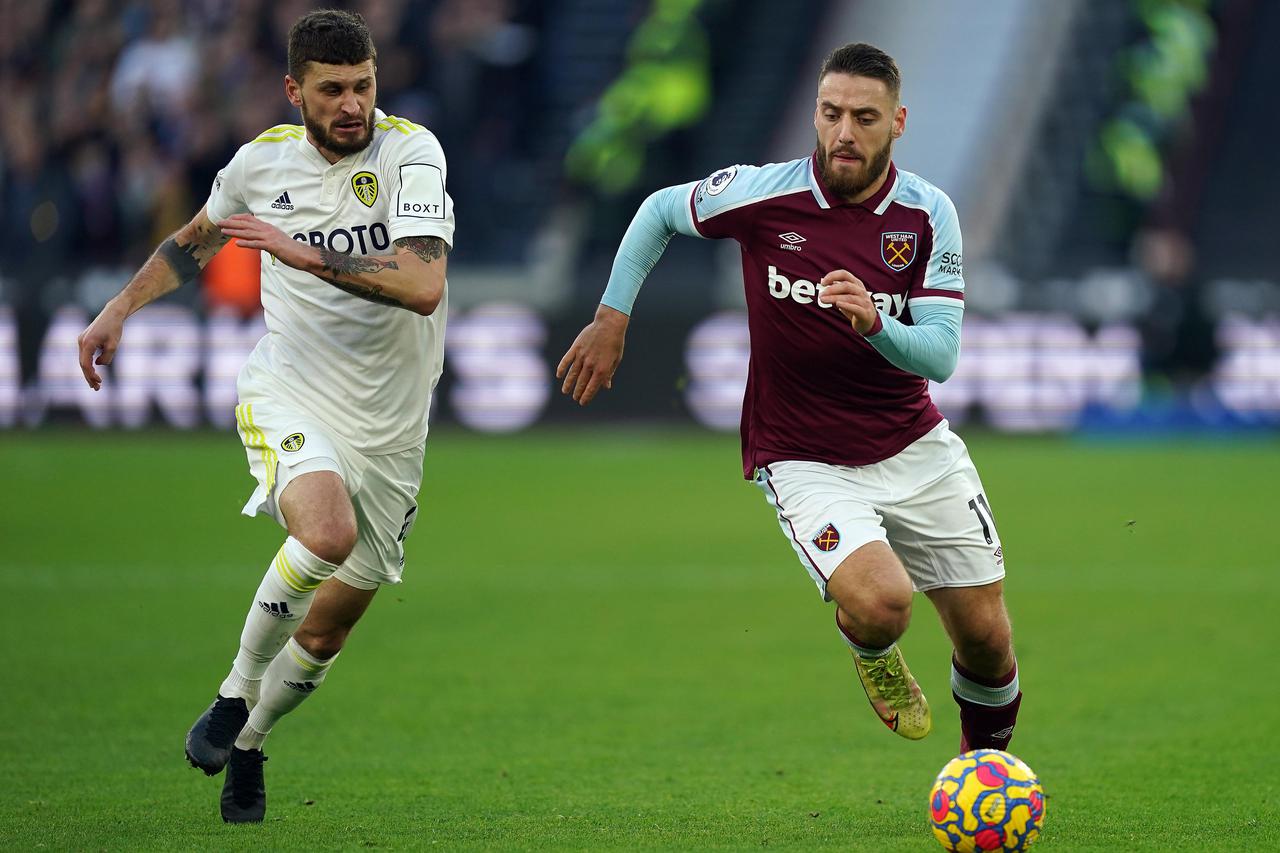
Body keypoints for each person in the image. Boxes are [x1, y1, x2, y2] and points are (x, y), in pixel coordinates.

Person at [558, 43, 1021, 755]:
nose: (844, 133)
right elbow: (658, 211)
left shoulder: (929, 214)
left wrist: (874, 322)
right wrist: (613, 316)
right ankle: (870, 651)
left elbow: (941, 354)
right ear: (815, 112)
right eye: (831, 113)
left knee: (988, 640)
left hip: (913, 443)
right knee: (883, 606)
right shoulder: (763, 194)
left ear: (897, 121)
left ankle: (982, 774)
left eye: (864, 117)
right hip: (803, 455)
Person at [76, 10, 455, 823]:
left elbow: (425, 284)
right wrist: (119, 307)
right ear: (295, 92)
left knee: (326, 634)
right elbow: (196, 240)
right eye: (332, 90)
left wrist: (306, 253)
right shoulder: (259, 165)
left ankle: (248, 741)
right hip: (292, 389)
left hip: (391, 424)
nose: (352, 104)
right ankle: (232, 693)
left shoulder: (412, 153)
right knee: (325, 533)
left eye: (363, 86)